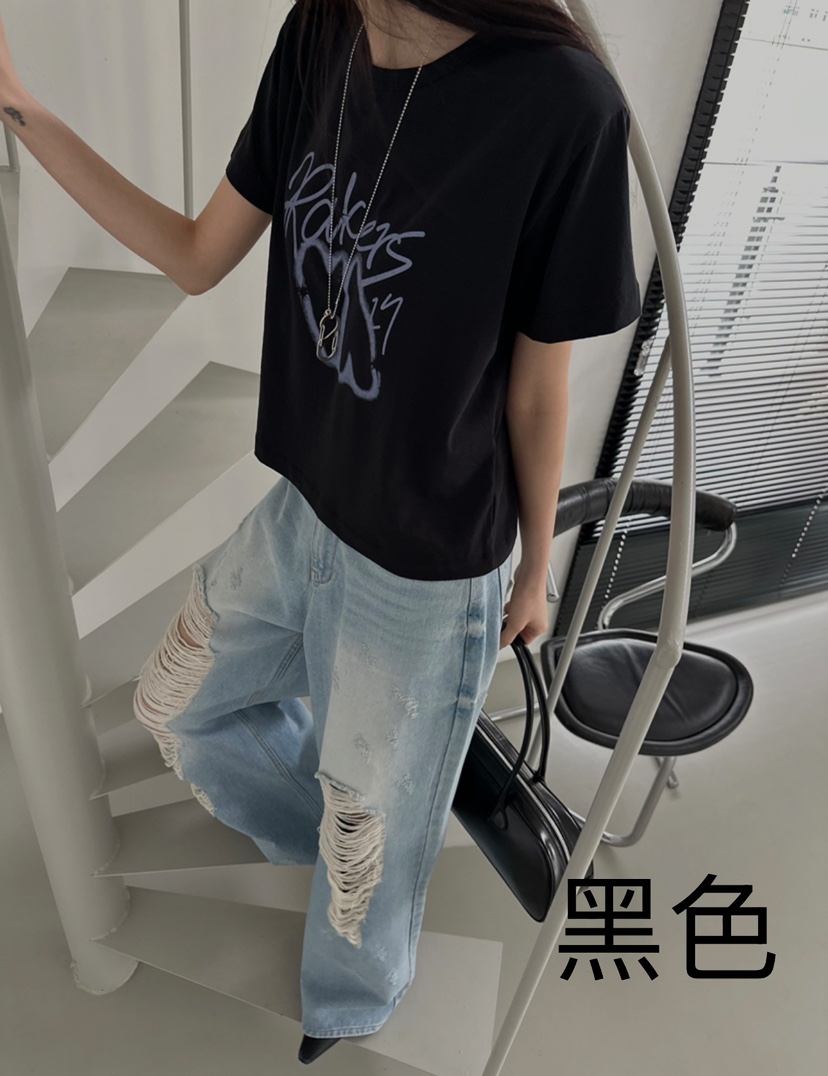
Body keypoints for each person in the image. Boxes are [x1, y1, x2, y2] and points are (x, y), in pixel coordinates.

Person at [0, 0, 641, 1063]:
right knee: (182, 707)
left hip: (428, 564)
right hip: (305, 507)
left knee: (368, 841)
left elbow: (538, 390)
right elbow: (198, 254)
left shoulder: (566, 106)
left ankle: (353, 1001)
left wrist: (537, 568)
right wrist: (22, 107)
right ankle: (356, 818)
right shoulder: (323, 30)